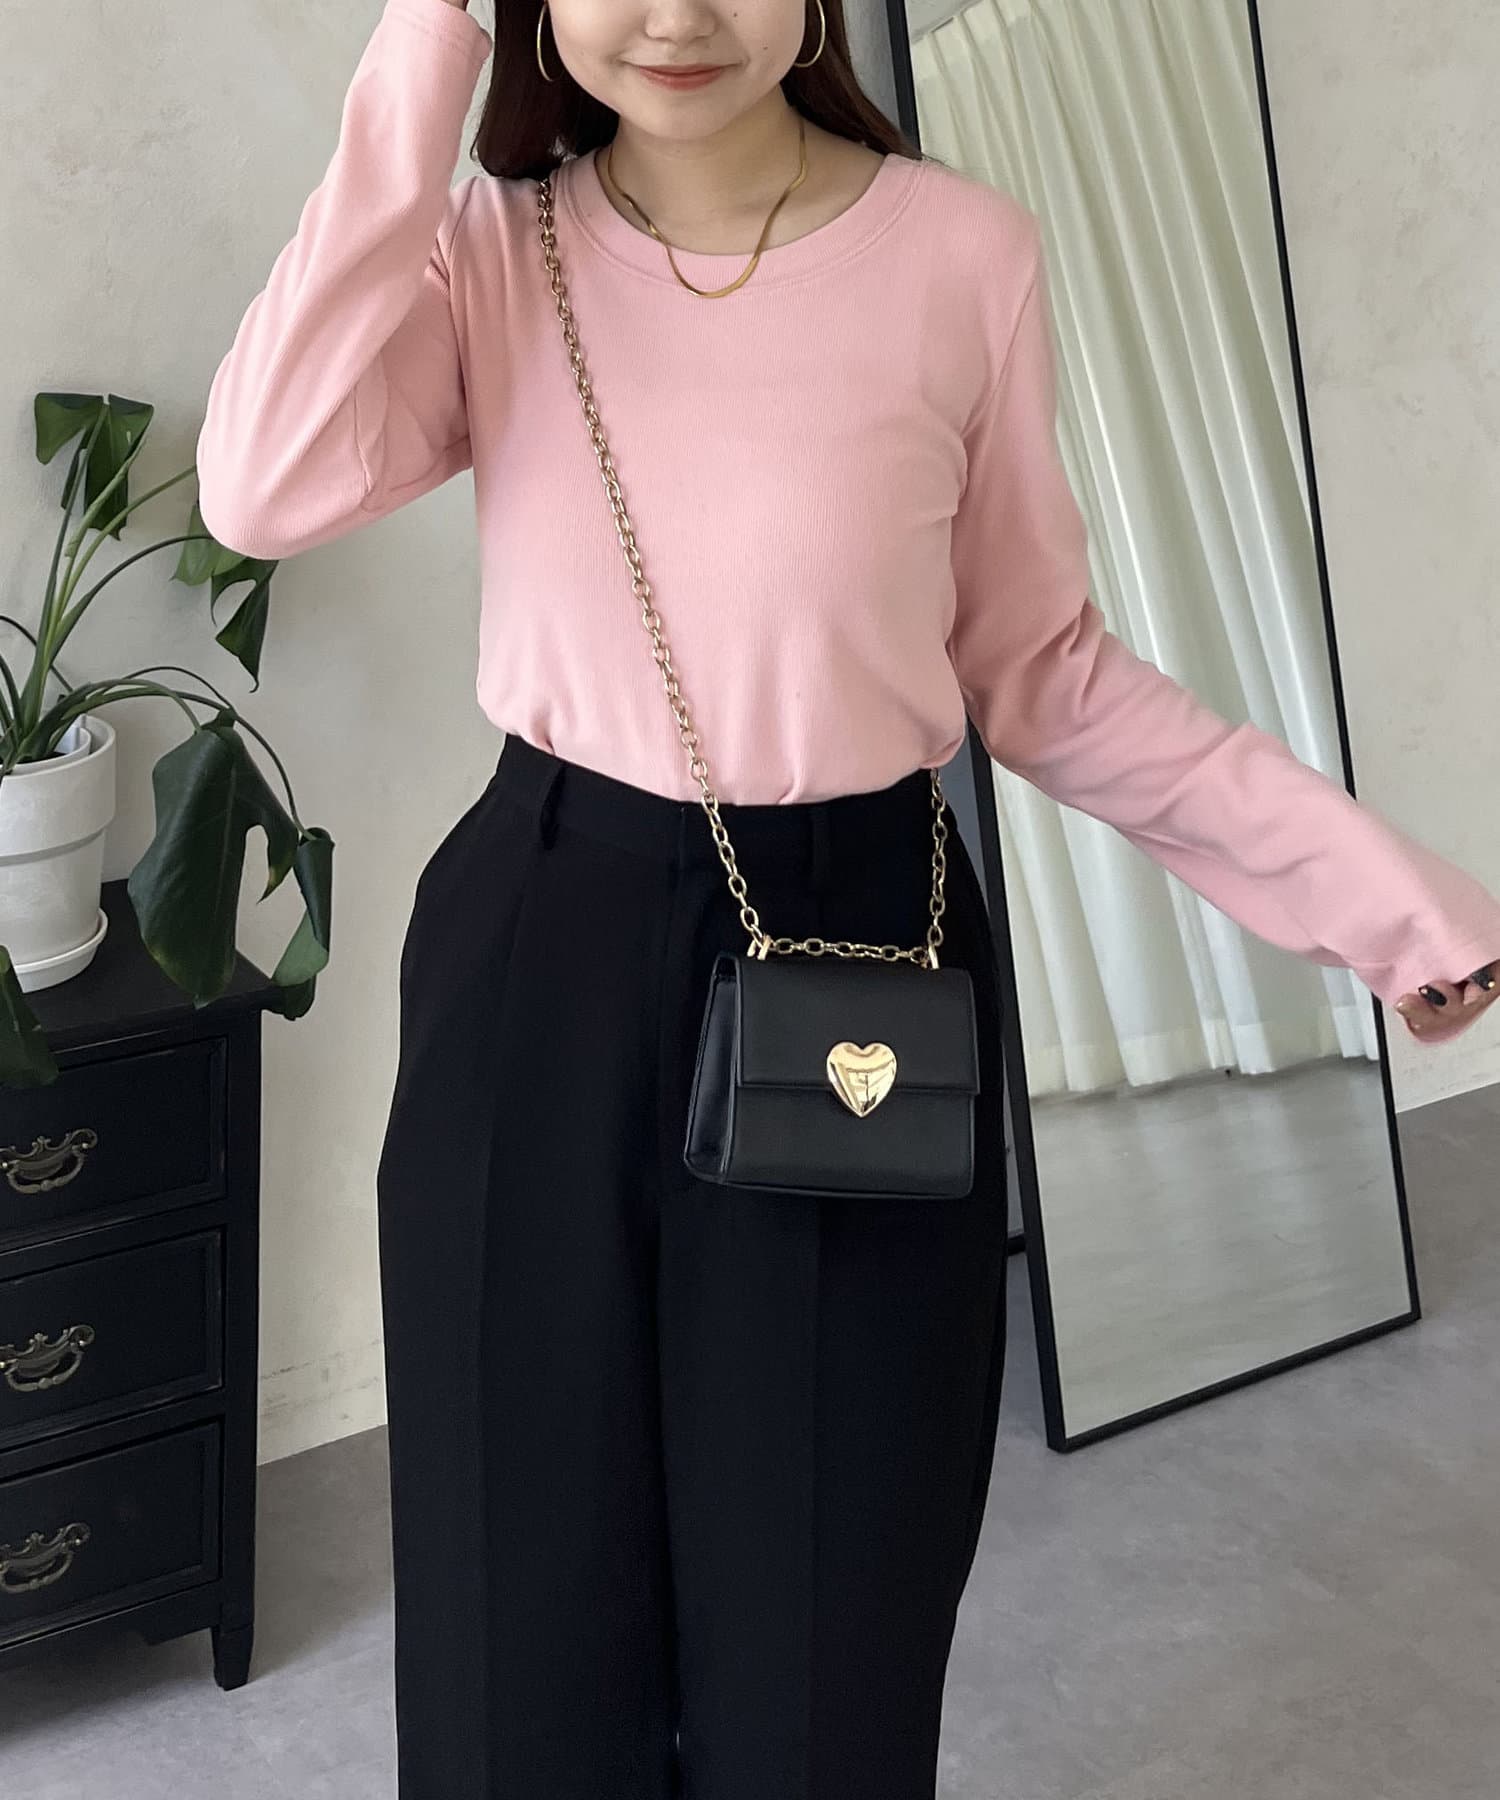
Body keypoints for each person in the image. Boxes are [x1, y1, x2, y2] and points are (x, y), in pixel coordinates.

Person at [193, 2, 1500, 1794]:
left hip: (865, 956)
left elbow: (1042, 670)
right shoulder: (496, 249)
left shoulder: (962, 256)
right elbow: (260, 481)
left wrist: (1379, 899)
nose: (675, 16)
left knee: (825, 1640)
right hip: (545, 941)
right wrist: (430, 37)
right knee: (517, 1630)